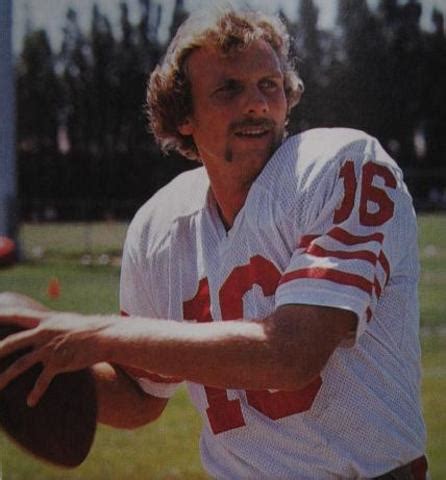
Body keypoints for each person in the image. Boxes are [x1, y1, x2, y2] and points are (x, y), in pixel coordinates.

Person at [0, 6, 427, 479]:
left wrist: (94, 335)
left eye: (270, 85)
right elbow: (139, 396)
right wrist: (37, 356)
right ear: (183, 114)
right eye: (229, 88)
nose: (257, 104)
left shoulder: (340, 166)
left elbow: (291, 354)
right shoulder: (162, 226)